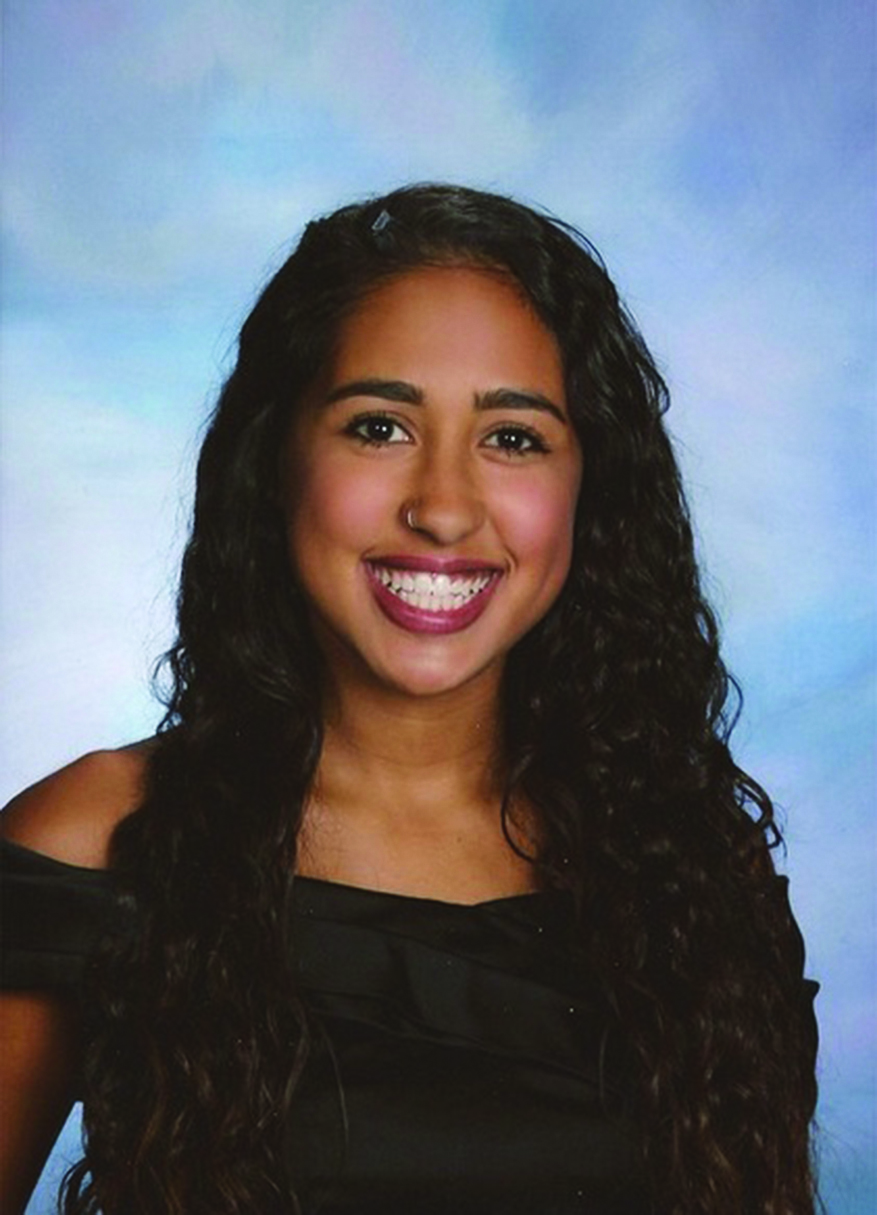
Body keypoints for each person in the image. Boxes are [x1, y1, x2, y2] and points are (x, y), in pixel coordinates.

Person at [0, 184, 818, 1214]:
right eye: (379, 426)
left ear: (590, 487)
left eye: (512, 437)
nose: (441, 507)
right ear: (275, 461)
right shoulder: (90, 844)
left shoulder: (693, 868)